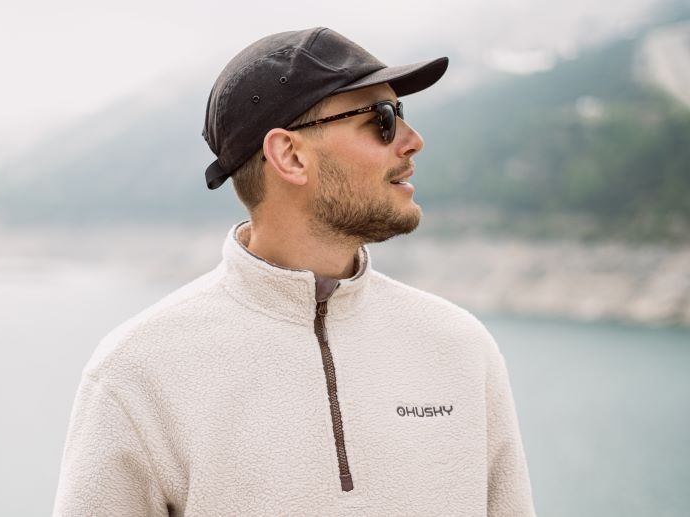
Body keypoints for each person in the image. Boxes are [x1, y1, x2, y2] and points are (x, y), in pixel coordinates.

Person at [53, 27, 537, 516]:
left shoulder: (460, 346)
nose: (414, 141)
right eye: (383, 119)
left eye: (402, 113)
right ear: (289, 155)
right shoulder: (138, 370)